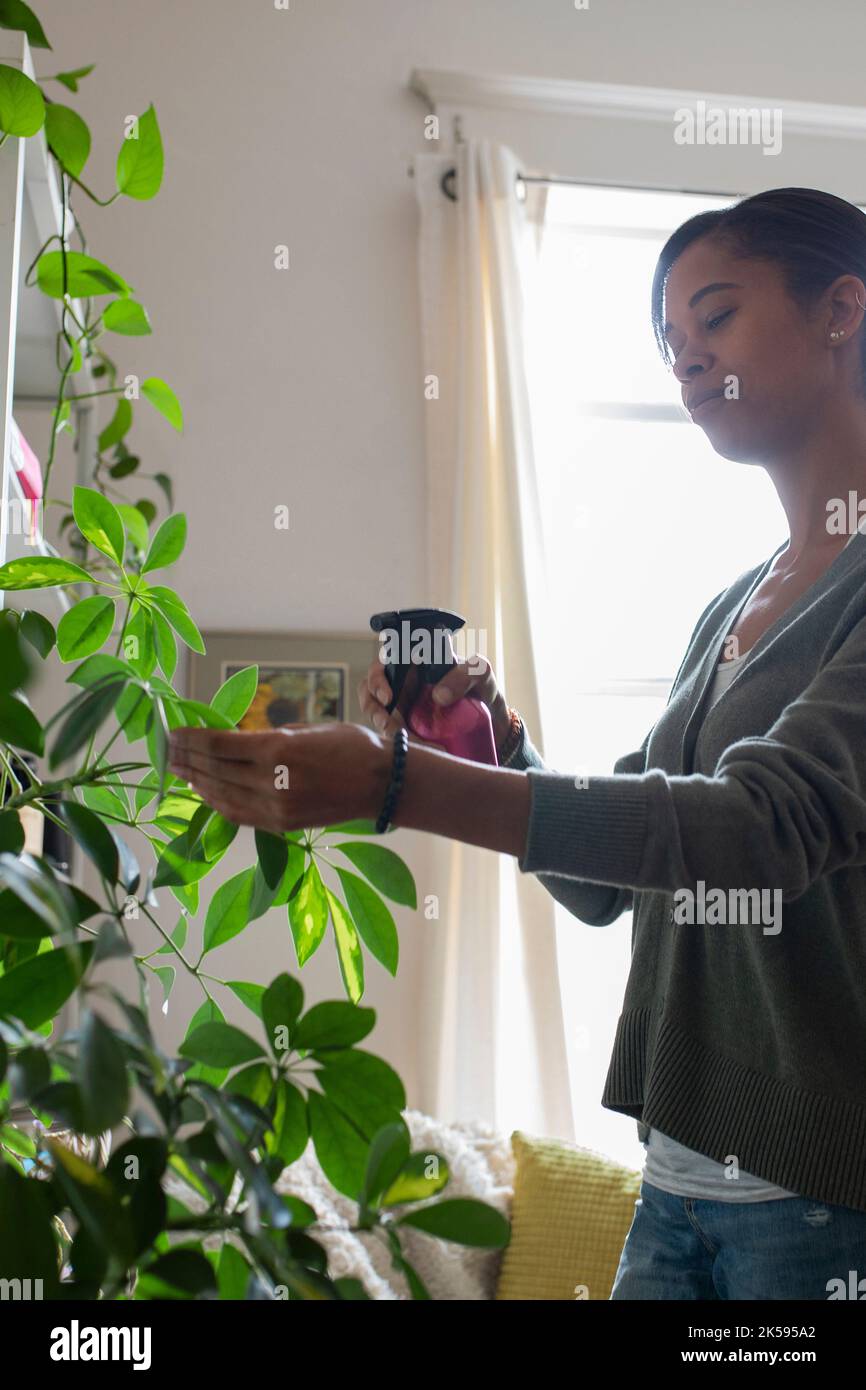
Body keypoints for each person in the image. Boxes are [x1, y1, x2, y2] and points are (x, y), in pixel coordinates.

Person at [169, 186, 866, 1299]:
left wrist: (402, 782)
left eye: (715, 318)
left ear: (840, 308)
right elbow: (610, 886)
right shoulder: (735, 604)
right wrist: (495, 749)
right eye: (666, 342)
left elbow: (762, 827)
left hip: (825, 1213)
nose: (682, 362)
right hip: (678, 1188)